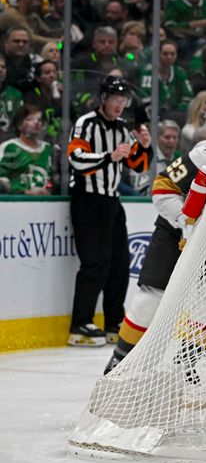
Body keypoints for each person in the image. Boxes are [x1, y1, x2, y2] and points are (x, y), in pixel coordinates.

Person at [104, 101, 206, 373]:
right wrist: (187, 223)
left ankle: (187, 362)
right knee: (151, 299)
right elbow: (162, 187)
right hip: (175, 234)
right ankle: (120, 359)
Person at [66, 76, 152, 346]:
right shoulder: (86, 123)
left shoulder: (123, 128)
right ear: (103, 98)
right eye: (115, 98)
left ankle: (114, 322)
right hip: (88, 200)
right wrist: (108, 157)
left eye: (123, 99)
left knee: (119, 264)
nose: (119, 103)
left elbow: (138, 165)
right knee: (95, 263)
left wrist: (146, 146)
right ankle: (80, 324)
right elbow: (75, 159)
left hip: (112, 202)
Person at [0, 104, 53, 195]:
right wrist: (25, 192)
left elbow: (54, 179)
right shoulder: (10, 147)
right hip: (17, 204)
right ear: (19, 125)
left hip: (46, 204)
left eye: (39, 120)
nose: (36, 122)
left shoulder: (49, 149)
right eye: (30, 119)